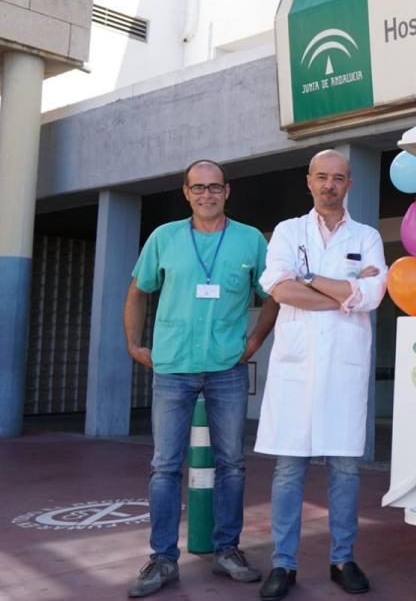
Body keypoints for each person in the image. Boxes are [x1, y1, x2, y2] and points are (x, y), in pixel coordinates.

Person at [124, 159, 279, 597]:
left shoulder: (250, 240)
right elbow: (137, 290)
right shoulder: (164, 238)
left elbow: (274, 296)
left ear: (227, 191)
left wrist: (253, 343)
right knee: (164, 467)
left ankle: (227, 549)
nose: (207, 195)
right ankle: (162, 559)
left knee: (232, 463)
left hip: (227, 369)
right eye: (198, 188)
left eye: (215, 187)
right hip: (173, 368)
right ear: (186, 192)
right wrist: (134, 346)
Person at [254, 149, 387, 600]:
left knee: (346, 471)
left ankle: (342, 558)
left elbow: (373, 294)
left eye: (339, 178)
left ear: (349, 184)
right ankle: (283, 564)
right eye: (322, 177)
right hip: (298, 368)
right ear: (309, 181)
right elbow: (277, 285)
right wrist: (345, 292)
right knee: (289, 470)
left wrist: (309, 279)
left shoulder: (367, 236)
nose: (330, 185)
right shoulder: (289, 232)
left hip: (344, 370)